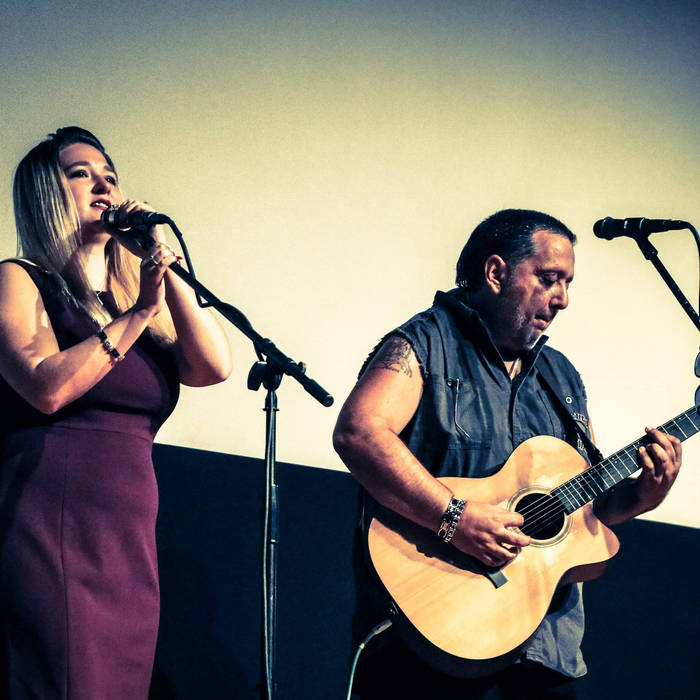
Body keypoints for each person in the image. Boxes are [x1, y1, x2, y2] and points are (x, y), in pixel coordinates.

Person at [333, 209, 682, 699]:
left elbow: (587, 510)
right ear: (495, 273)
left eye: (568, 283)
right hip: (432, 638)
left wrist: (645, 493)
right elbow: (359, 433)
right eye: (549, 278)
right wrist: (454, 518)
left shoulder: (561, 377)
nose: (562, 298)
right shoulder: (424, 344)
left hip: (543, 652)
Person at [0, 127, 232, 698]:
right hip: (54, 521)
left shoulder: (135, 301)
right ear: (46, 194)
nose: (104, 185)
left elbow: (214, 366)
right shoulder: (21, 278)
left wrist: (165, 269)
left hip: (128, 537)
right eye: (81, 174)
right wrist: (138, 314)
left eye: (110, 175)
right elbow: (45, 388)